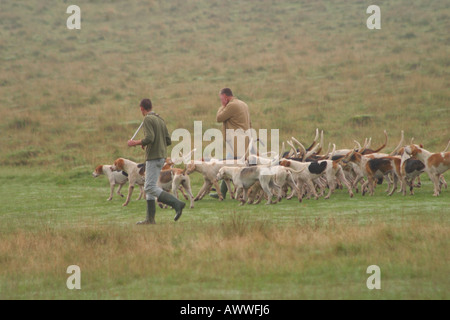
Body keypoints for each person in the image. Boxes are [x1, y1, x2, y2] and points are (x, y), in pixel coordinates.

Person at [127, 98, 185, 224]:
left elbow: (150, 137)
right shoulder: (160, 119)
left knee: (149, 187)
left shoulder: (148, 119)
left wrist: (135, 143)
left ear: (142, 108)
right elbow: (168, 140)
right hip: (161, 157)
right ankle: (150, 219)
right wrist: (148, 143)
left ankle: (177, 203)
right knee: (149, 186)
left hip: (153, 157)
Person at [211, 88, 252, 199]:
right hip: (244, 139)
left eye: (221, 99)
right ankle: (224, 192)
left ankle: (226, 192)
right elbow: (250, 122)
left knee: (229, 166)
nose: (221, 102)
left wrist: (222, 107)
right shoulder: (243, 104)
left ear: (226, 97)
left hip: (237, 142)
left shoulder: (231, 105)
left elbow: (219, 118)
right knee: (231, 166)